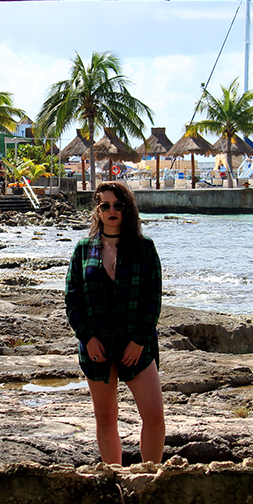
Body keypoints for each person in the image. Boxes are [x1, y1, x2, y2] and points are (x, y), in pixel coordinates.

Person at [65, 181, 165, 465]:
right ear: (97, 210)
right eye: (105, 205)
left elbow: (153, 299)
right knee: (106, 417)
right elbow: (72, 299)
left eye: (118, 205)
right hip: (97, 346)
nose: (112, 211)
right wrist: (87, 338)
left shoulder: (145, 248)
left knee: (154, 416)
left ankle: (151, 477)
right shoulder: (83, 249)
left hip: (136, 345)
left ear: (127, 209)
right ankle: (115, 477)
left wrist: (139, 341)